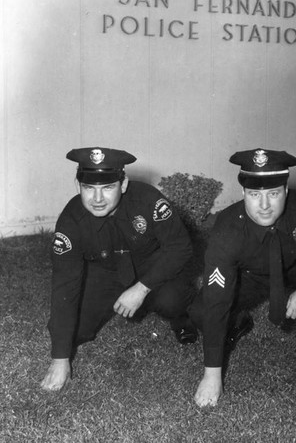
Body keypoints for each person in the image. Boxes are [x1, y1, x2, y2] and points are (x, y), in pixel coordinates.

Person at [189, 148, 296, 407]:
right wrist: (212, 374)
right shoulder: (228, 228)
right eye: (255, 194)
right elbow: (215, 301)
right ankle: (238, 322)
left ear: (286, 192)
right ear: (244, 193)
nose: (264, 205)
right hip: (249, 278)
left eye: (274, 193)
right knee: (200, 310)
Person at [41, 147, 197, 391]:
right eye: (89, 188)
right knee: (72, 330)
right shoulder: (71, 220)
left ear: (123, 184)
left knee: (172, 299)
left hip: (151, 269)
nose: (97, 198)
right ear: (77, 185)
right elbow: (64, 285)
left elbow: (180, 248)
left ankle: (181, 319)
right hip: (106, 272)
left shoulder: (148, 200)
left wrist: (141, 288)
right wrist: (60, 360)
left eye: (108, 187)